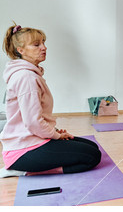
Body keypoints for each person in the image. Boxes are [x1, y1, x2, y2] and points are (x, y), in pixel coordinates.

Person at [0, 23, 101, 178]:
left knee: (91, 146)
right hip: (23, 150)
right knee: (92, 157)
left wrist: (53, 132)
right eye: (36, 45)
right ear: (21, 50)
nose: (44, 47)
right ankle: (22, 170)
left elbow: (34, 119)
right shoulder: (26, 77)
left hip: (33, 139)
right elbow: (33, 122)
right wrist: (57, 136)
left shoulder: (30, 74)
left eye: (43, 43)